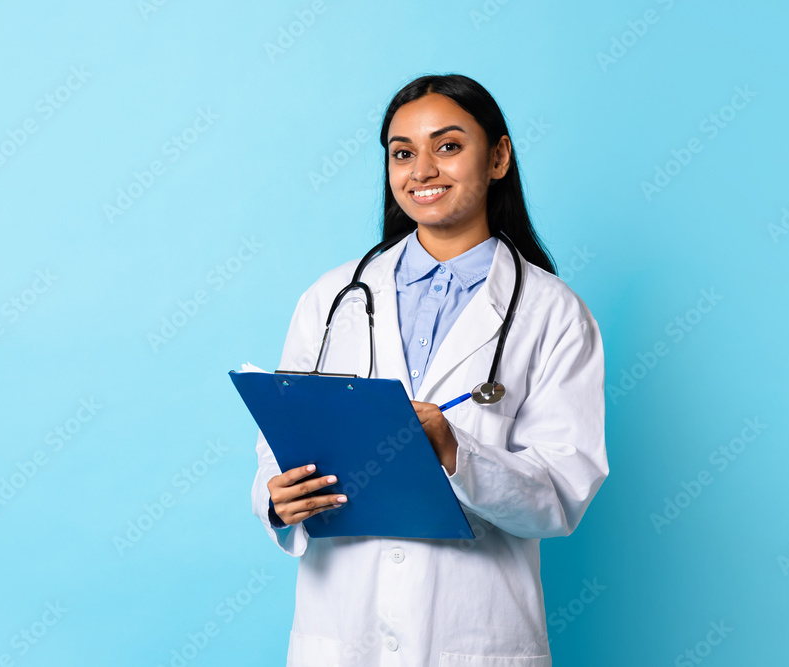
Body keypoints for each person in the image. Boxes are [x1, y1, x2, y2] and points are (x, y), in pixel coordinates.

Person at [251, 73, 608, 666]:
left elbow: (560, 496)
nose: (422, 171)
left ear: (497, 157)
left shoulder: (553, 312)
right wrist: (277, 497)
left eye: (448, 146)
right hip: (343, 632)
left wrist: (454, 450)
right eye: (402, 153)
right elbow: (277, 441)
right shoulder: (333, 296)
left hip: (474, 636)